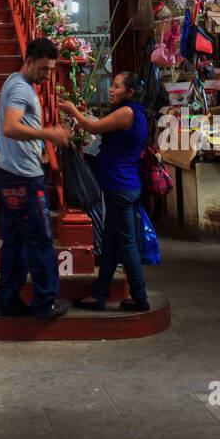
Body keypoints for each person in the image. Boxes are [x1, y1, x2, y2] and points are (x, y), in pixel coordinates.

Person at [61, 70, 151, 312]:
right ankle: (99, 294)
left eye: (117, 86)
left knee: (127, 244)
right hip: (123, 183)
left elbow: (93, 127)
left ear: (130, 92)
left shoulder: (127, 112)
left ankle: (140, 297)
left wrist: (72, 111)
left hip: (119, 185)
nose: (111, 89)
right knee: (111, 243)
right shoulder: (136, 112)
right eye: (112, 85)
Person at [0, 37, 70, 323]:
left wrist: (35, 147)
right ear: (29, 62)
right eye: (43, 68)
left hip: (11, 173)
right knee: (40, 241)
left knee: (14, 243)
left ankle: (8, 300)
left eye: (51, 69)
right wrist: (48, 134)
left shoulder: (17, 83)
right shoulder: (20, 88)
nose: (47, 75)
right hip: (24, 180)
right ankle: (45, 302)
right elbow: (11, 127)